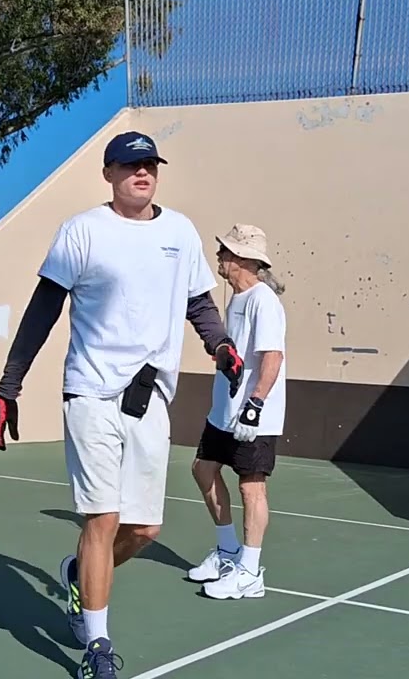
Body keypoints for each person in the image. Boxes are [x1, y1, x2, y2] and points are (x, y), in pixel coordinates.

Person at [0, 130, 243, 679]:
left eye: (149, 164)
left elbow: (198, 302)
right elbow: (43, 308)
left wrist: (219, 345)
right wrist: (9, 386)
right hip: (91, 392)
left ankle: (81, 575)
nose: (141, 173)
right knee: (102, 517)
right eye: (129, 165)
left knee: (144, 530)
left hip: (150, 399)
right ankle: (97, 648)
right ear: (108, 174)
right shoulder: (83, 231)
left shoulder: (179, 232)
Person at [186, 224, 287, 601]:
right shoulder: (235, 300)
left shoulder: (264, 300)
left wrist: (255, 404)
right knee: (202, 469)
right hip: (223, 410)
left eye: (225, 252)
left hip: (253, 414)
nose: (219, 258)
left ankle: (249, 572)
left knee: (251, 486)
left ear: (244, 258)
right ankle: (228, 552)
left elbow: (272, 357)